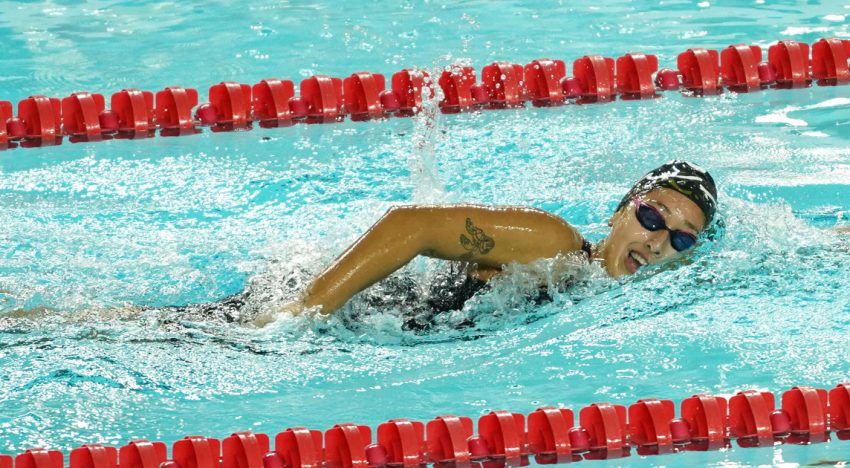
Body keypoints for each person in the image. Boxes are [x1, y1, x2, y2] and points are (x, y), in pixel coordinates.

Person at [252, 160, 719, 326]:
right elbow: (409, 225)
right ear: (620, 211)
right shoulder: (554, 243)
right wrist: (302, 311)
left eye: (680, 238)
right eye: (652, 216)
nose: (658, 241)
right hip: (355, 311)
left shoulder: (599, 292)